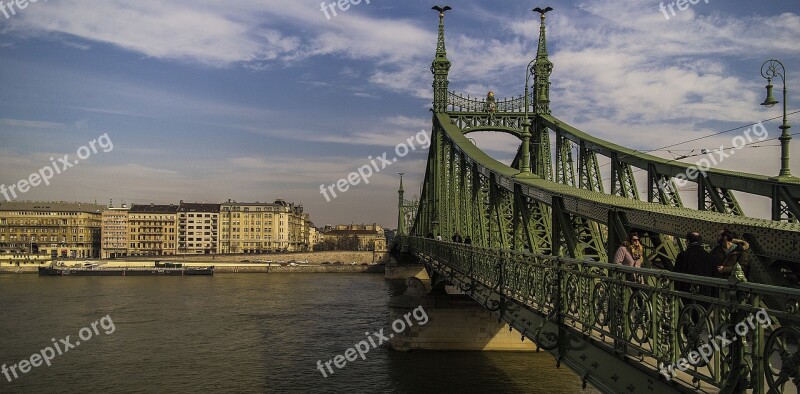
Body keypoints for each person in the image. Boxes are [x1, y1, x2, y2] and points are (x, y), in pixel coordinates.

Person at [673, 231, 715, 297]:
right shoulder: (709, 257)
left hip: (686, 293)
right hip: (705, 294)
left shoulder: (682, 256)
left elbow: (676, 276)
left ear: (688, 241)